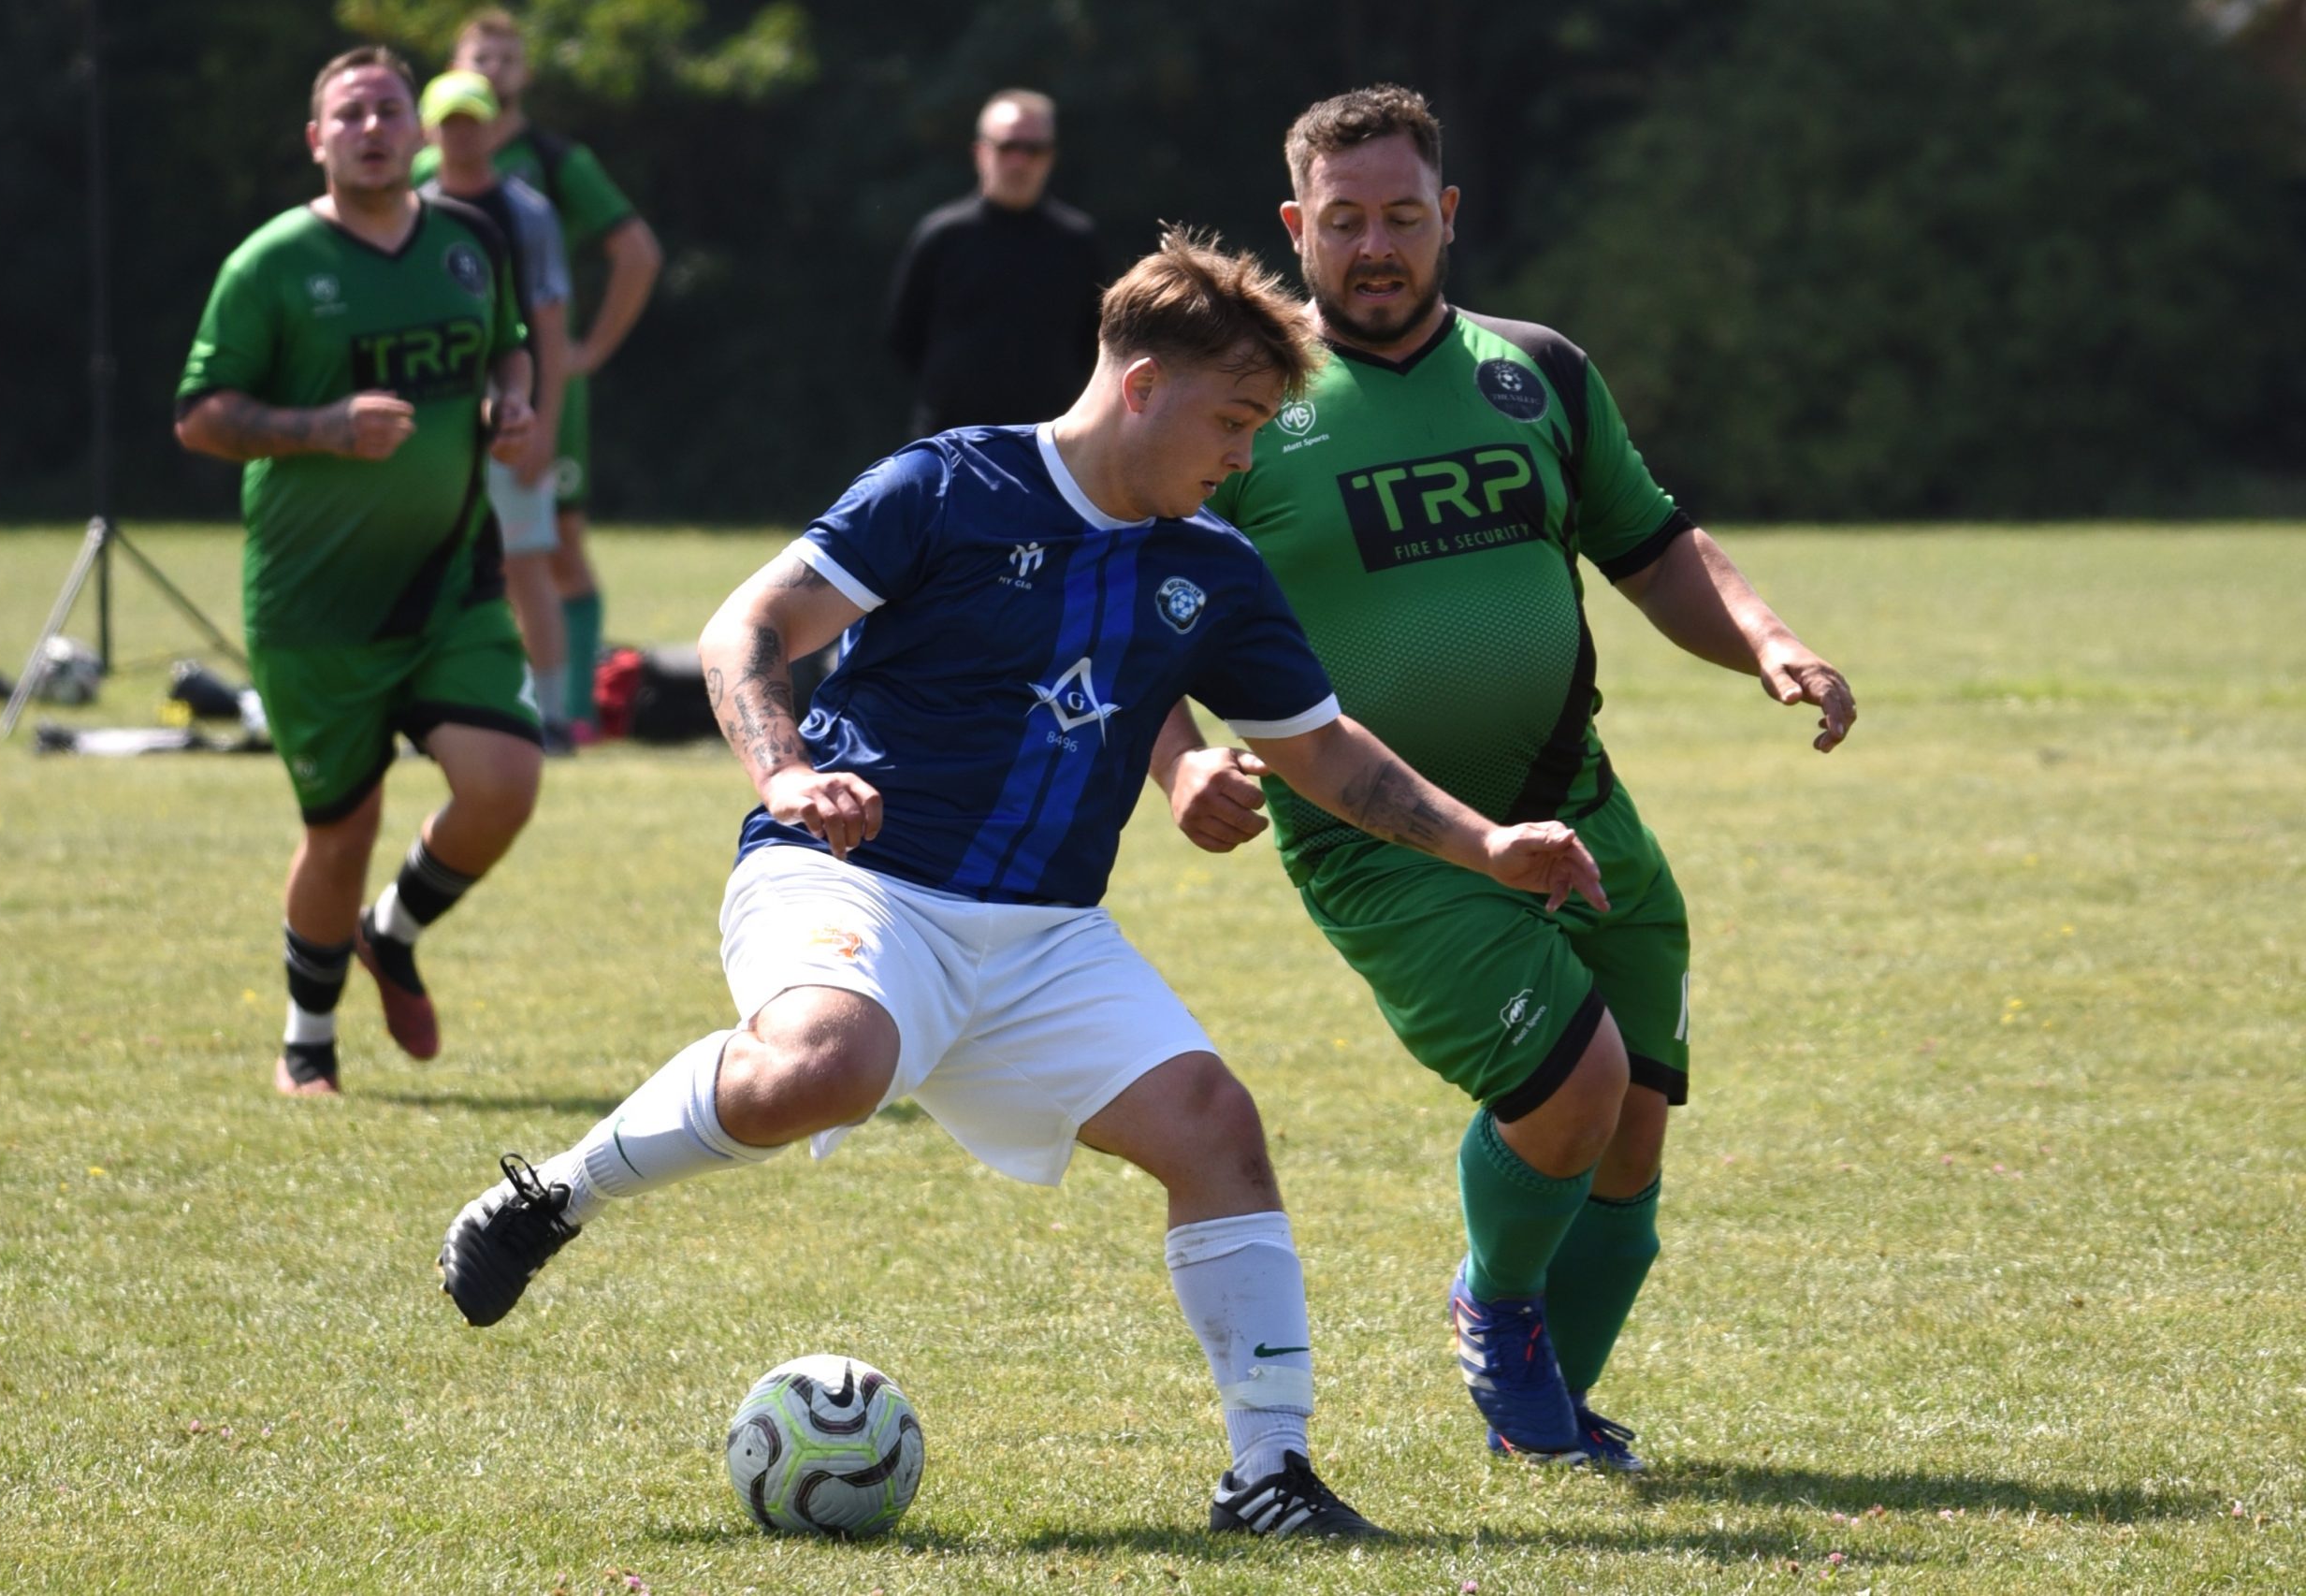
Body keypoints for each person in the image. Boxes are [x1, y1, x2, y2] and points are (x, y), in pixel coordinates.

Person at [436, 231, 1608, 1536]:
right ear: (1143, 385)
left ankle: (1268, 1474)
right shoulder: (948, 484)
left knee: (1213, 1124)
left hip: (1046, 931)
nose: (1242, 456)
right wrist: (786, 774)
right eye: (1232, 421)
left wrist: (1486, 845)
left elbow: (1322, 750)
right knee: (824, 1064)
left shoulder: (1211, 565)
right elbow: (746, 628)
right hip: (857, 879)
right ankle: (552, 1196)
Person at [1153, 86, 1859, 1471]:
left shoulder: (1536, 370)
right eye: (1343, 220)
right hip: (1380, 840)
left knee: (1633, 1137)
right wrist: (1179, 766)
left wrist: (1770, 640)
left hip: (1578, 805)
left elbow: (1652, 545)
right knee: (1574, 1086)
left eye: (1401, 216)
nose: (1374, 246)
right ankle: (1496, 1302)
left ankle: (1545, 1426)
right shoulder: (1246, 403)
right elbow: (1134, 601)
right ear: (1295, 225)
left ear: (1448, 216)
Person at [173, 46, 544, 1096]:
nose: (372, 128)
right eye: (350, 114)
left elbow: (509, 344)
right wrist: (324, 427)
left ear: (418, 133)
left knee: (505, 783)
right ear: (316, 140)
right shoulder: (271, 264)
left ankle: (393, 931)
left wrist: (511, 398)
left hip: (452, 579)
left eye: (388, 110)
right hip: (315, 605)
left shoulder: (470, 240)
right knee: (342, 832)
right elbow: (200, 417)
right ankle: (308, 1042)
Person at [415, 8, 664, 743]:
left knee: (551, 546)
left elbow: (636, 252)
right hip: (443, 397)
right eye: (479, 56)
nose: (492, 69)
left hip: (530, 387)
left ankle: (570, 710)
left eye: (506, 57)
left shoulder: (551, 169)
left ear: (524, 74)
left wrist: (589, 352)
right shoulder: (415, 181)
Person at [418, 69, 577, 752]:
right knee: (427, 568)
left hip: (512, 419)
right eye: (449, 122)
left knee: (525, 566)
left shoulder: (526, 212)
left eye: (473, 121)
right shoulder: (412, 210)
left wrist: (543, 422)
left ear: (494, 128)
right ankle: (429, 711)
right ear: (428, 130)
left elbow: (549, 324)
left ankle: (553, 715)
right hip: (434, 429)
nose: (462, 135)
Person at [884, 88, 1107, 437]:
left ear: (1050, 157)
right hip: (951, 441)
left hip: (1047, 445)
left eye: (1033, 149)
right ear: (980, 152)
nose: (1020, 162)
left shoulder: (1078, 242)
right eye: (1007, 147)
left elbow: (1096, 344)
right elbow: (904, 337)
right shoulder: (942, 236)